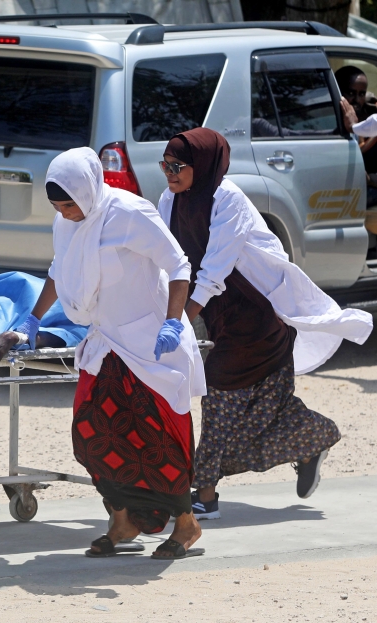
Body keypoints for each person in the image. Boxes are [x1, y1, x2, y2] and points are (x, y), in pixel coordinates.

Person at [0, 148, 207, 560]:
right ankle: (123, 521)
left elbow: (179, 265)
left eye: (69, 203)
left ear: (89, 189)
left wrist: (174, 322)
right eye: (57, 206)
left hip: (151, 344)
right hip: (105, 344)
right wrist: (28, 322)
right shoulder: (66, 223)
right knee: (92, 434)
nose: (65, 213)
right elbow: (58, 269)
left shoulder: (130, 214)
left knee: (159, 437)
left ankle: (186, 525)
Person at [159, 128, 372, 521]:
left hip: (256, 316)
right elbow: (166, 260)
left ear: (203, 165)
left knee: (220, 394)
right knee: (260, 413)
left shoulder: (228, 200)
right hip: (219, 315)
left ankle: (205, 494)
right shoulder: (169, 201)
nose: (169, 173)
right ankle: (312, 437)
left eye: (178, 166)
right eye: (165, 165)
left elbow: (214, 270)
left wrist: (180, 320)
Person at [336, 66, 377, 207]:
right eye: (351, 93)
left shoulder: (366, 110)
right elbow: (356, 149)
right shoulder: (336, 116)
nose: (357, 99)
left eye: (361, 94)